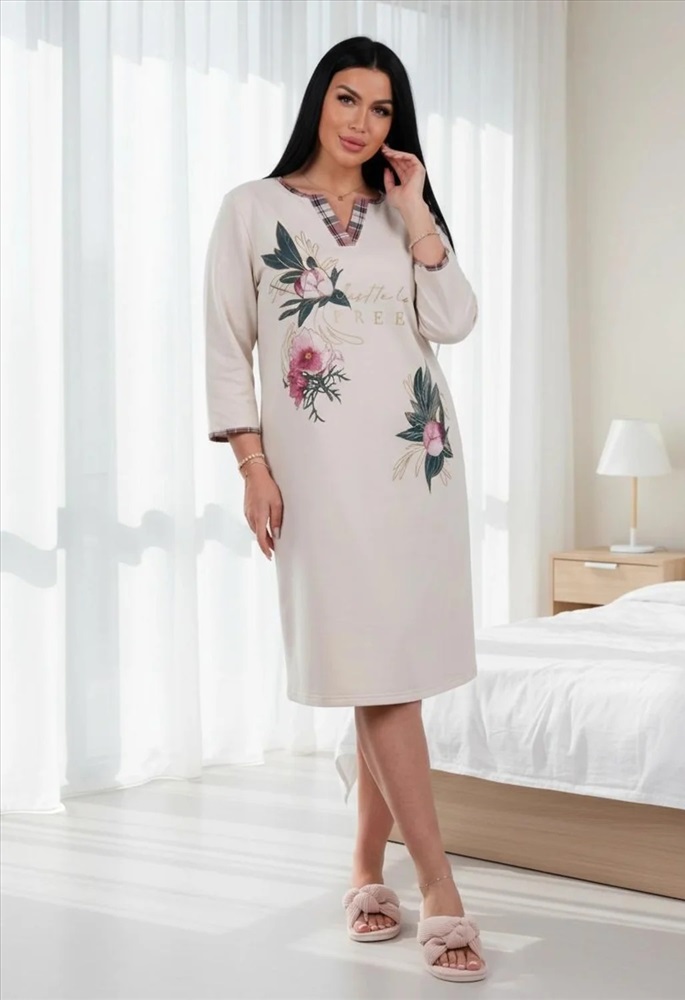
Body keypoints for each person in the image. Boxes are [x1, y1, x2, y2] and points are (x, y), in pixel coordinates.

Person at [204, 36, 486, 983]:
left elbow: (453, 320)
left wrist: (417, 211)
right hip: (319, 479)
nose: (362, 122)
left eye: (381, 108)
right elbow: (226, 345)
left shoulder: (400, 212)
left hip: (416, 468)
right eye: (347, 99)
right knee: (377, 672)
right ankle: (438, 886)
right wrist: (252, 466)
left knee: (387, 669)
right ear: (318, 102)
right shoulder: (251, 209)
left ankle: (367, 868)